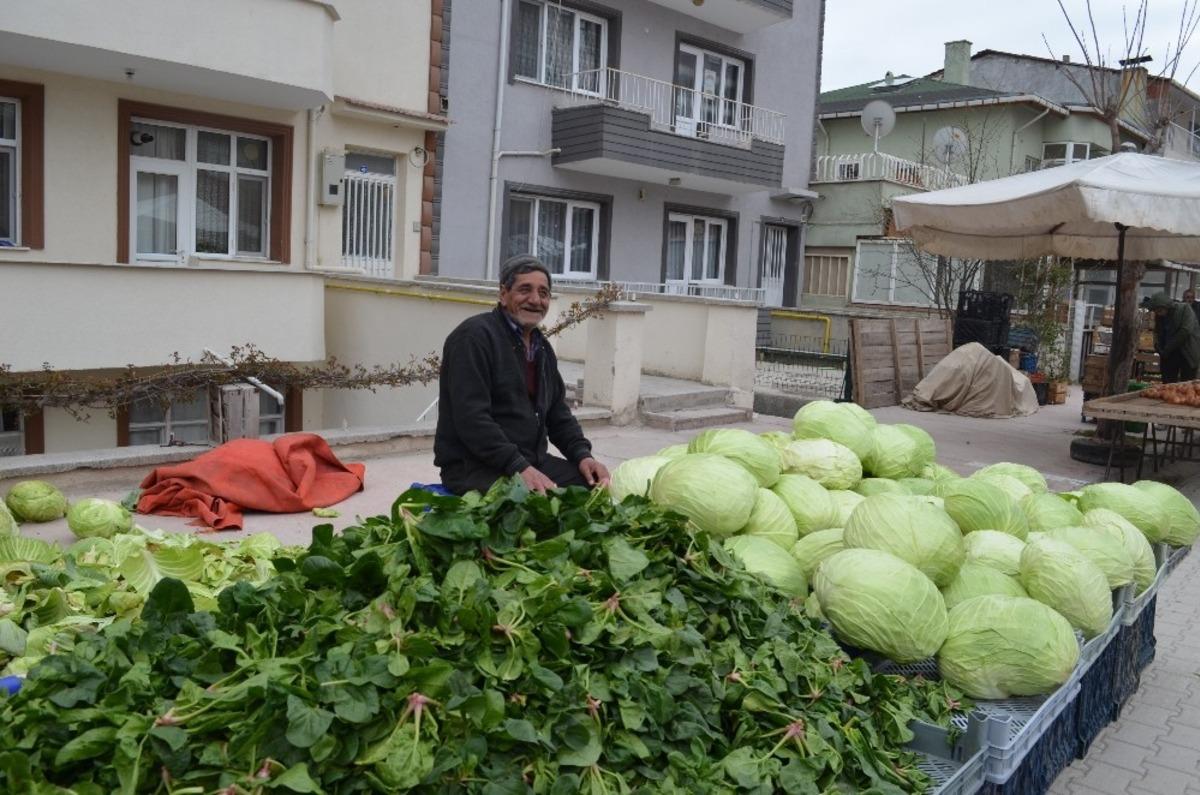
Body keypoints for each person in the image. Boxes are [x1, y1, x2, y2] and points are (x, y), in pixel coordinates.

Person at [434, 254, 611, 495]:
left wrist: (583, 456)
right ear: (503, 294)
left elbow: (558, 414)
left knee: (590, 489)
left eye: (544, 293)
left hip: (529, 461)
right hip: (474, 467)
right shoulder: (473, 338)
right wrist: (518, 466)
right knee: (536, 508)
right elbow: (472, 419)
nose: (535, 300)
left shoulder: (542, 349)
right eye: (524, 289)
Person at [1144, 292, 1200, 383]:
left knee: (1187, 384)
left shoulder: (1184, 309)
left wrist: (1168, 347)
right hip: (1169, 354)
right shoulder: (1160, 316)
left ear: (1166, 306)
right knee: (1167, 383)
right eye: (1156, 311)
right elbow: (1157, 331)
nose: (1158, 313)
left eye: (1159, 310)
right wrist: (1157, 344)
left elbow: (1185, 331)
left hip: (1187, 352)